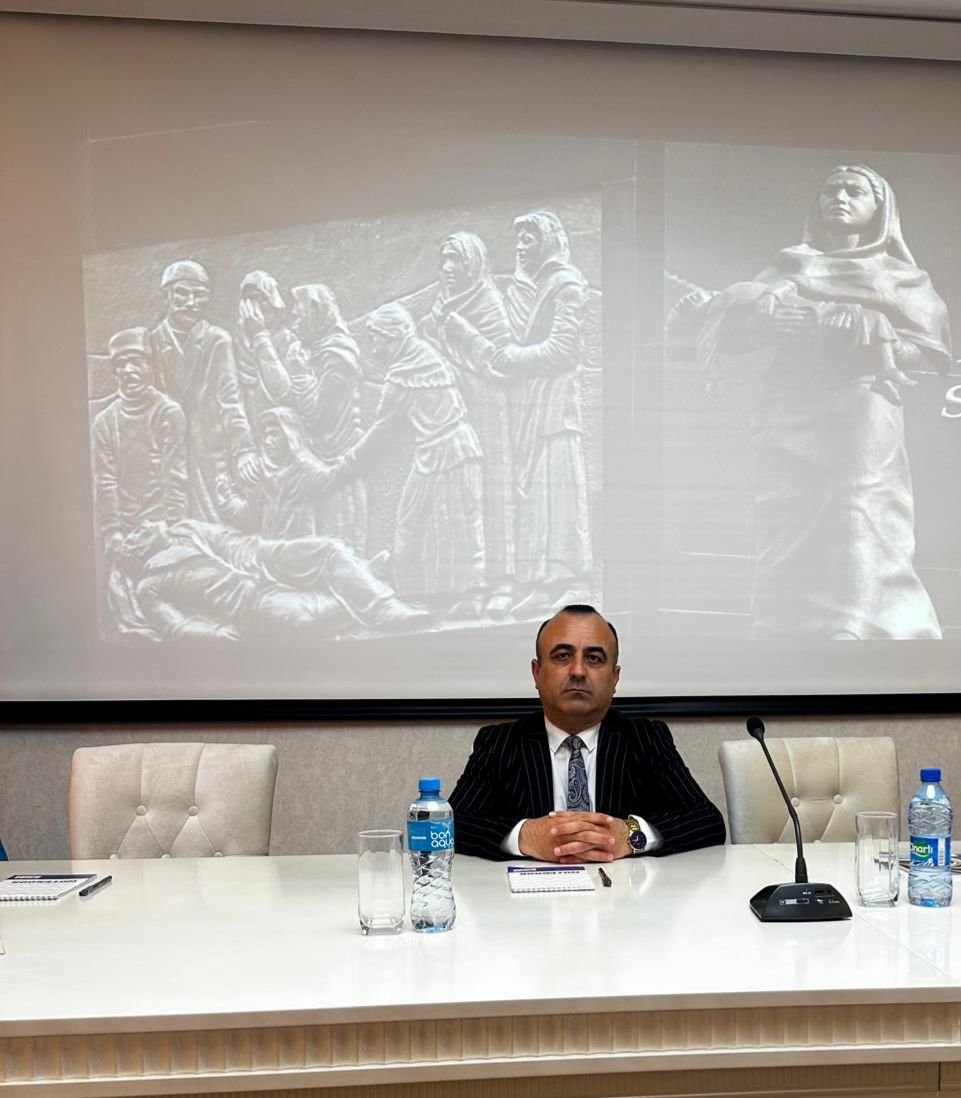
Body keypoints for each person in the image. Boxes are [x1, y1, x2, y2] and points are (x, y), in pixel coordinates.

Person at [690, 165, 951, 639]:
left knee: (858, 513)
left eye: (855, 191)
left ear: (880, 210)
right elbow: (732, 327)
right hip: (786, 411)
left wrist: (862, 334)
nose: (840, 197)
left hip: (859, 414)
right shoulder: (789, 267)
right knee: (786, 523)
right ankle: (785, 630)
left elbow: (928, 357)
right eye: (831, 190)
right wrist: (767, 323)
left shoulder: (902, 279)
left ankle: (862, 626)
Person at [449, 604, 725, 862]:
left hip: (624, 893)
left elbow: (707, 821)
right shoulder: (500, 743)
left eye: (594, 658)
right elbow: (450, 825)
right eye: (562, 656)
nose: (578, 671)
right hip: (527, 894)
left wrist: (629, 835)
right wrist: (525, 837)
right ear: (537, 672)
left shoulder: (645, 738)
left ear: (614, 678)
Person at [341, 302, 486, 615]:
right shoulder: (424, 354)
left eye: (375, 339)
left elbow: (381, 432)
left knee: (444, 523)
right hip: (446, 451)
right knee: (435, 522)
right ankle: (419, 591)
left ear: (391, 336)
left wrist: (347, 464)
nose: (373, 348)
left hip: (447, 453)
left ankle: (463, 596)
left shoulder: (404, 373)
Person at [118, 517, 428, 640]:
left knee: (329, 548)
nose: (141, 527)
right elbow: (175, 625)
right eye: (133, 535)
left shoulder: (186, 528)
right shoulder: (151, 585)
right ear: (136, 552)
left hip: (262, 558)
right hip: (251, 603)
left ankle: (383, 607)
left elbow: (231, 542)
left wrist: (268, 555)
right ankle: (366, 578)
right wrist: (214, 634)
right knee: (306, 619)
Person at [425, 231, 516, 618]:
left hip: (487, 409)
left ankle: (502, 583)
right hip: (454, 411)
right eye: (444, 260)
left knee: (493, 492)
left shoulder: (488, 303)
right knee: (459, 495)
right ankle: (467, 584)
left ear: (473, 263)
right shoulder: (442, 303)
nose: (447, 268)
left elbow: (501, 361)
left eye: (456, 260)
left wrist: (462, 331)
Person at [148, 259, 259, 523]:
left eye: (199, 295)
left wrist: (244, 450)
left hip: (210, 452)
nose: (191, 302)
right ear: (166, 296)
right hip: (168, 452)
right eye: (183, 293)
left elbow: (231, 402)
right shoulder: (152, 341)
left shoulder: (217, 340)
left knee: (217, 526)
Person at [286, 283, 367, 552]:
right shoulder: (313, 350)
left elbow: (319, 416)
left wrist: (298, 371)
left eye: (297, 316)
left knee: (339, 536)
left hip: (336, 460)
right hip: (314, 458)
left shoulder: (338, 357)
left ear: (315, 313)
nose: (293, 324)